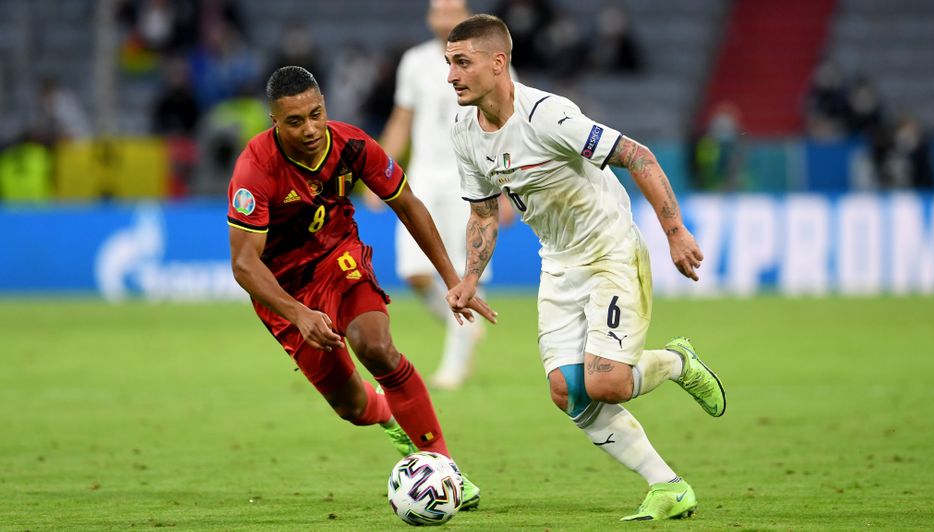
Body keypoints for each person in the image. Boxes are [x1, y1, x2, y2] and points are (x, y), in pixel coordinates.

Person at [443, 15, 726, 521]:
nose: (452, 76)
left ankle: (677, 362)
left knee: (607, 383)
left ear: (498, 62)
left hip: (610, 252)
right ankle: (668, 485)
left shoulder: (548, 116)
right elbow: (483, 214)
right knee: (567, 391)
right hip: (558, 263)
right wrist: (470, 278)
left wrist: (675, 231)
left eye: (462, 63)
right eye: (449, 64)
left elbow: (637, 156)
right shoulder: (465, 131)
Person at [226, 66, 496, 509]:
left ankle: (445, 469)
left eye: (316, 114)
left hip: (339, 259)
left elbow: (407, 204)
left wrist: (452, 278)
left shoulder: (351, 143)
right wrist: (298, 312)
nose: (310, 129)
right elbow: (244, 264)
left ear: (324, 106)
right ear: (274, 121)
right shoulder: (255, 169)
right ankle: (392, 416)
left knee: (376, 346)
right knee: (351, 406)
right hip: (284, 289)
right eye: (294, 121)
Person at [372, 0, 511, 390]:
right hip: (423, 182)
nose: (445, 18)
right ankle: (466, 327)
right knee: (414, 273)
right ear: (430, 17)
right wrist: (377, 174)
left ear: (465, 16)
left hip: (471, 181)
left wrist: (505, 188)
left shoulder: (490, 59)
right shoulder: (414, 62)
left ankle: (454, 367)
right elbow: (402, 120)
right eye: (439, 11)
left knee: (466, 275)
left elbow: (507, 121)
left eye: (452, 11)